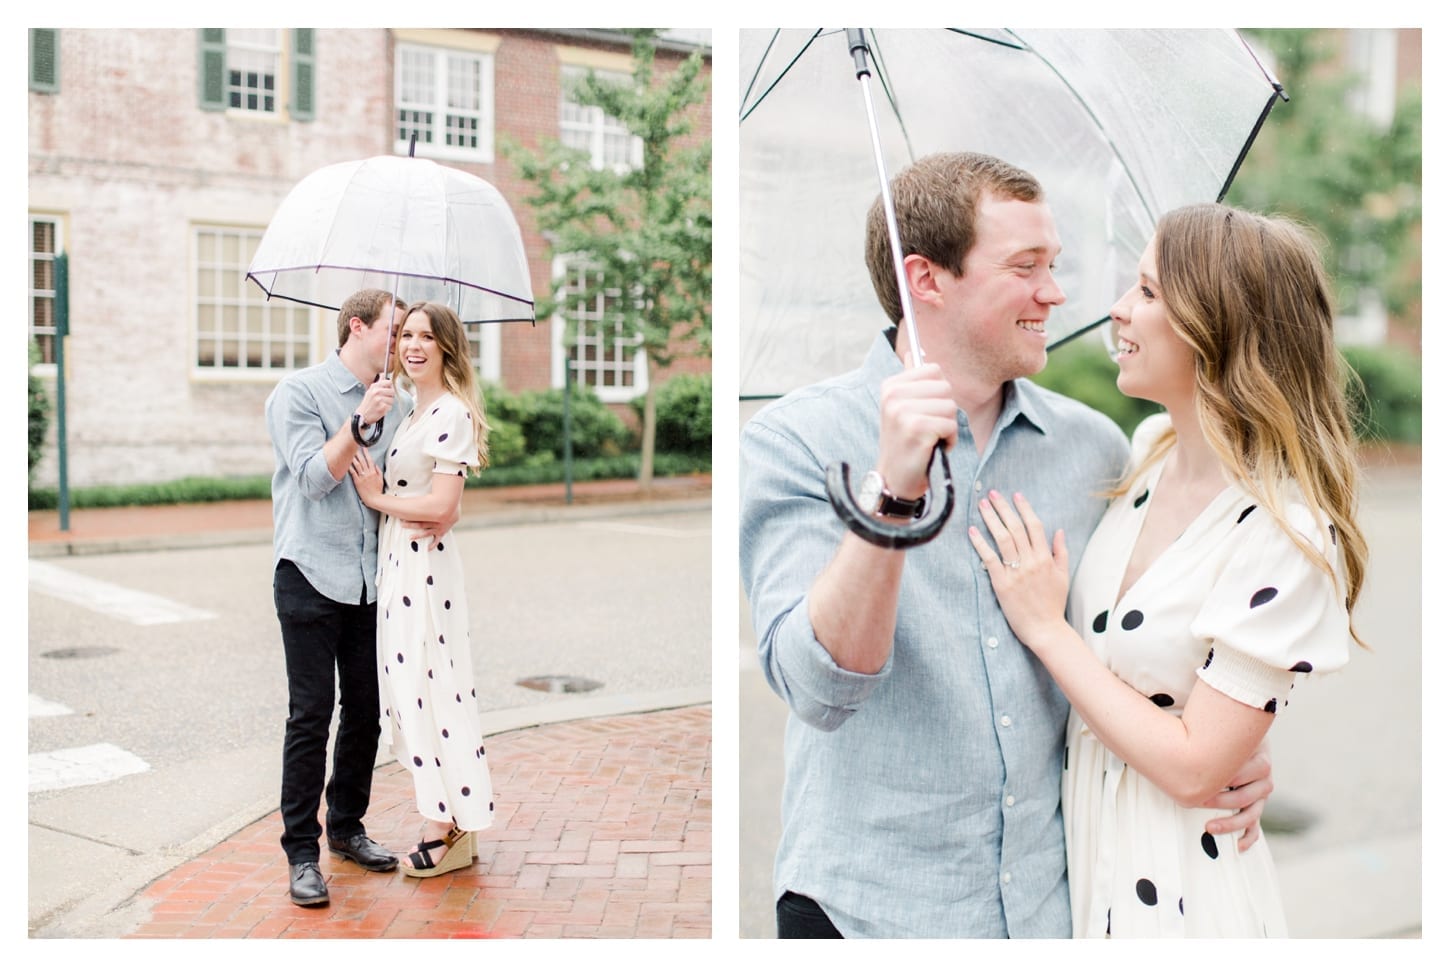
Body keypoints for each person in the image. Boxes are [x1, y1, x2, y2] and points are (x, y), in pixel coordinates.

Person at [739, 152, 1274, 938]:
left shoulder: (1094, 449)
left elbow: (1151, 638)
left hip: (1045, 911)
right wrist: (892, 495)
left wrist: (1225, 742)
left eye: (1053, 264)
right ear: (926, 279)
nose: (1054, 292)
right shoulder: (795, 441)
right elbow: (817, 689)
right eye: (1026, 267)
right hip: (866, 913)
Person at [967, 203, 1365, 937]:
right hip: (1081, 873)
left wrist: (1045, 629)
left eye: (1147, 292)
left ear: (1219, 326)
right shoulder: (1147, 450)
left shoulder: (1287, 531)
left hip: (1181, 897)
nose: (1119, 309)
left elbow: (1192, 768)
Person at [266, 288, 457, 906]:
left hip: (376, 579)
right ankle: (302, 852)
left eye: (411, 334)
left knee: (367, 710)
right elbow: (315, 478)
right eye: (396, 331)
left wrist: (443, 510)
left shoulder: (402, 403)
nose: (404, 344)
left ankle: (347, 826)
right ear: (358, 328)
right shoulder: (299, 393)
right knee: (311, 713)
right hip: (310, 574)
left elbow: (421, 476)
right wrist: (359, 425)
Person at [348, 300, 494, 878]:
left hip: (424, 569)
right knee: (410, 692)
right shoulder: (413, 411)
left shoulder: (450, 413)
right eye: (405, 334)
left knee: (433, 690)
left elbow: (442, 505)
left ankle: (447, 825)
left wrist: (376, 497)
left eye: (426, 337)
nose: (413, 345)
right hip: (400, 563)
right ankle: (446, 815)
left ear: (446, 348)